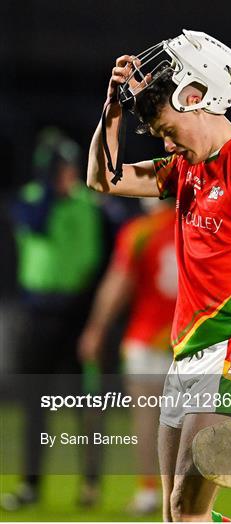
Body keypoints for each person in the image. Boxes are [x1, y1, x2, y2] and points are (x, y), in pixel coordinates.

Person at [87, 30, 231, 522]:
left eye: (167, 128)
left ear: (197, 98)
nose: (166, 142)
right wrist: (111, 112)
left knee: (188, 508)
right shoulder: (187, 167)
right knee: (174, 513)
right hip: (186, 350)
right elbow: (105, 178)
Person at [1, 127, 105, 511]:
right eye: (61, 168)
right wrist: (49, 188)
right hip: (37, 314)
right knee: (34, 404)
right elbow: (37, 224)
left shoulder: (86, 204)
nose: (70, 174)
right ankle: (30, 485)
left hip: (75, 313)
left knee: (87, 403)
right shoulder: (30, 201)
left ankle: (90, 484)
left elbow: (93, 261)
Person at [78, 198, 177, 514]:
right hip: (192, 340)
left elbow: (118, 284)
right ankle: (184, 494)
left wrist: (96, 328)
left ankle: (149, 492)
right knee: (189, 425)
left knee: (147, 422)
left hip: (146, 340)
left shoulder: (140, 231)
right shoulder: (201, 225)